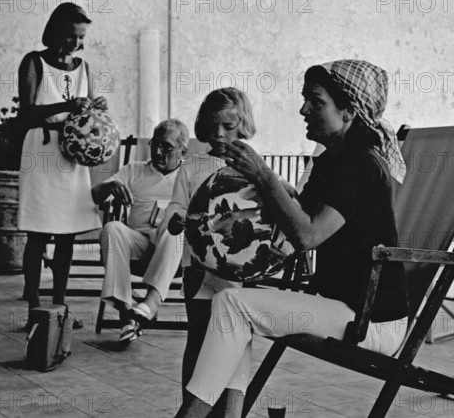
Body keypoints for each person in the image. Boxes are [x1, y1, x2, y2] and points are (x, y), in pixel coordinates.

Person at [173, 60, 410, 418]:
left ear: (349, 111)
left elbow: (307, 235)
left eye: (316, 102)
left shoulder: (362, 164)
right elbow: (293, 216)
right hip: (341, 304)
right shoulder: (332, 161)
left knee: (234, 306)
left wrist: (264, 175)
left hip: (370, 318)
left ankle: (191, 414)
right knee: (234, 304)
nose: (304, 109)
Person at [165, 88, 256, 416]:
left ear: (242, 125)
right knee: (200, 337)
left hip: (238, 272)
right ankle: (192, 405)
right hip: (199, 267)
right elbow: (177, 203)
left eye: (229, 126)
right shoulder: (191, 167)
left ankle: (230, 410)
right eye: (213, 126)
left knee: (236, 341)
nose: (220, 134)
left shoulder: (251, 165)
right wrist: (175, 217)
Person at [17, 2, 107, 330]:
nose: (78, 44)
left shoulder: (84, 67)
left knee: (68, 233)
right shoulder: (34, 62)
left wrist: (96, 107)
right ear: (56, 32)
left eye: (82, 38)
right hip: (41, 151)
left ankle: (59, 306)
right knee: (38, 232)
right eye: (72, 37)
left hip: (72, 155)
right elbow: (25, 114)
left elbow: (88, 114)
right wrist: (67, 105)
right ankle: (34, 310)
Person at [93, 119, 189, 343]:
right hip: (140, 243)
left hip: (174, 248)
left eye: (166, 147)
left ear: (183, 150)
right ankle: (127, 314)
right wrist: (111, 186)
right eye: (154, 144)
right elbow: (96, 194)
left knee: (174, 218)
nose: (157, 151)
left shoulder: (190, 175)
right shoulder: (134, 170)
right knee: (112, 228)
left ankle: (151, 303)